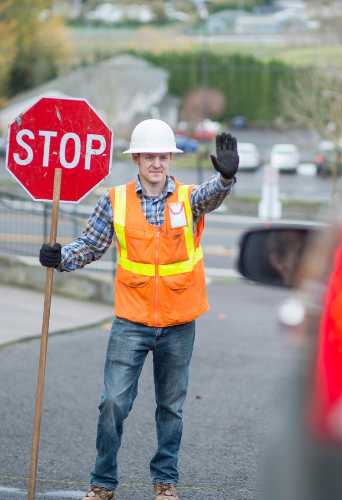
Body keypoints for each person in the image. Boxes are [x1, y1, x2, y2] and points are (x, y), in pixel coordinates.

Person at [38, 119, 239, 500]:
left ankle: (165, 481)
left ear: (169, 160)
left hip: (179, 322)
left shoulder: (187, 198)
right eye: (150, 156)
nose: (157, 163)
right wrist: (60, 257)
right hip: (131, 321)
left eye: (163, 156)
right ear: (137, 159)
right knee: (113, 402)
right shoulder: (114, 200)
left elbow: (212, 194)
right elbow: (90, 245)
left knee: (171, 407)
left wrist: (226, 180)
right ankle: (102, 483)